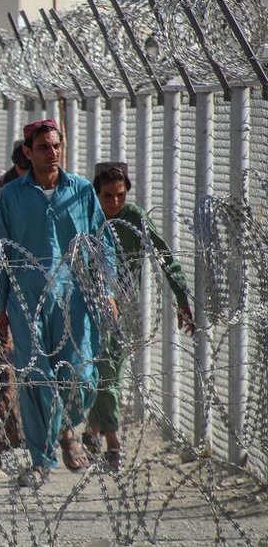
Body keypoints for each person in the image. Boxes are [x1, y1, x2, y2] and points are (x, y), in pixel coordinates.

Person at [0, 119, 115, 487]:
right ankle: (41, 460)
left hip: (74, 297)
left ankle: (65, 427)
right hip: (26, 299)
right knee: (35, 380)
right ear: (28, 153)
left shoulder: (80, 191)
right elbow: (2, 250)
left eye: (56, 146)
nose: (52, 153)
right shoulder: (12, 195)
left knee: (82, 376)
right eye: (44, 147)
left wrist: (107, 290)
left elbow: (100, 243)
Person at [87, 162, 194, 471]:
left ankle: (97, 433)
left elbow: (165, 257)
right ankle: (112, 444)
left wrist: (181, 298)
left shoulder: (134, 218)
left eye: (120, 196)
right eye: (108, 196)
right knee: (100, 372)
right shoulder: (89, 218)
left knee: (109, 372)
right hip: (89, 307)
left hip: (125, 309)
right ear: (97, 194)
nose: (115, 203)